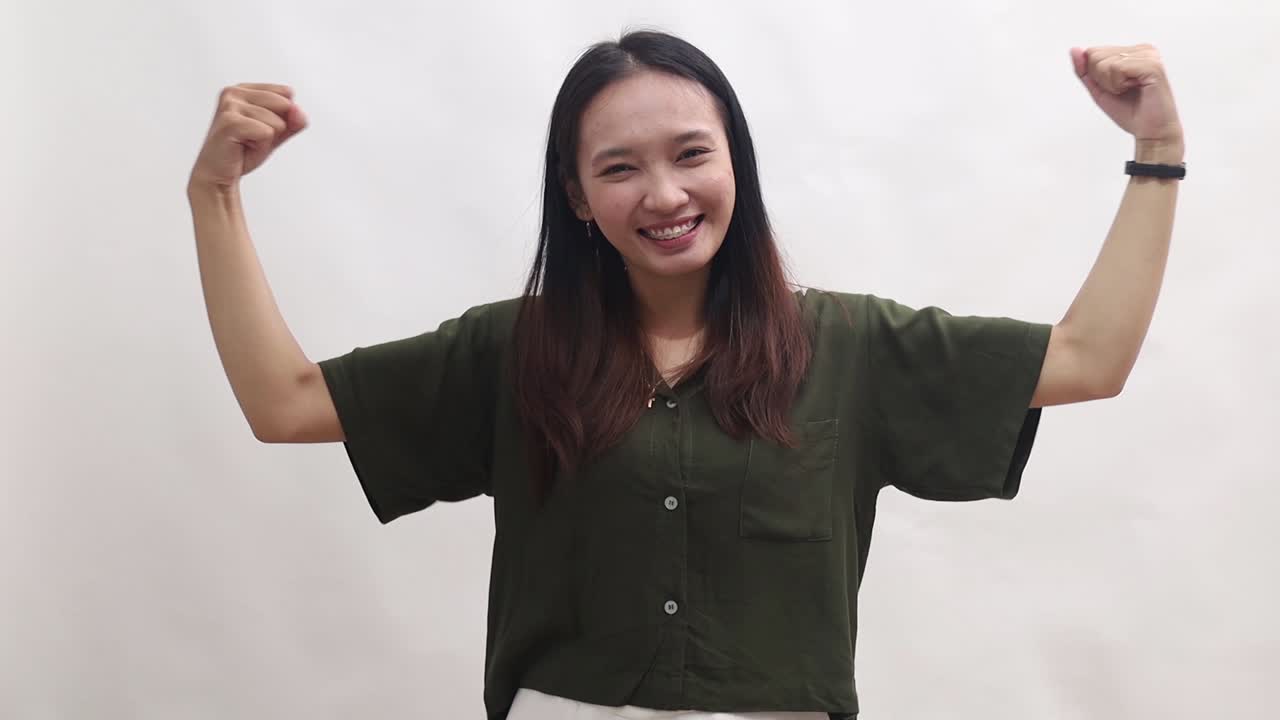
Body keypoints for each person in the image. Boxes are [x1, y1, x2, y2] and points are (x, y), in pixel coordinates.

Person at [186, 29, 1184, 720]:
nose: (662, 193)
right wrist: (214, 197)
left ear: (734, 165)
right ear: (576, 196)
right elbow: (284, 403)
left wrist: (1156, 150)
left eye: (688, 155)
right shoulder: (513, 353)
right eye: (618, 168)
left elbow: (1087, 360)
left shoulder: (850, 348)